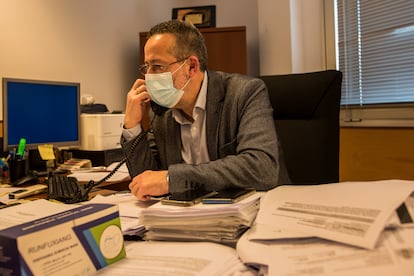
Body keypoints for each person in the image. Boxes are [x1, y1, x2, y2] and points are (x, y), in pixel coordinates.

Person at [121, 20, 288, 201]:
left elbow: (262, 167)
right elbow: (146, 181)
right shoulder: (162, 112)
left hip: (257, 212)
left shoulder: (245, 93)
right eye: (147, 67)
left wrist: (172, 179)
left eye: (158, 66)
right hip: (192, 218)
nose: (149, 77)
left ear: (191, 66)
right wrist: (132, 126)